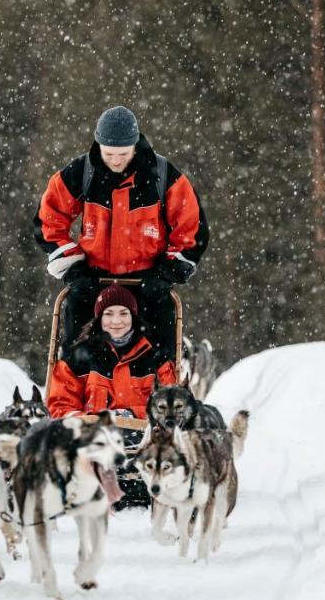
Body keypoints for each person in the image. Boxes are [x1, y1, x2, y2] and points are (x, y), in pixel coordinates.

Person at [34, 105, 208, 350]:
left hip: (148, 286)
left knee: (156, 357)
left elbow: (192, 228)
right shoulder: (81, 173)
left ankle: (162, 388)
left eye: (124, 154)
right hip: (92, 283)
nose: (116, 160)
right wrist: (74, 268)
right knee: (78, 356)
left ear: (135, 146)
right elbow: (48, 220)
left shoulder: (164, 176)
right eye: (109, 154)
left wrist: (166, 273)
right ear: (98, 146)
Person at [47, 284, 177, 420]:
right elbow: (60, 407)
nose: (116, 321)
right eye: (108, 314)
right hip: (92, 436)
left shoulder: (155, 356)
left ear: (133, 317)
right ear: (100, 319)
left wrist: (131, 415)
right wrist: (93, 421)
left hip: (145, 436)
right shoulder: (79, 358)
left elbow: (171, 405)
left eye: (124, 313)